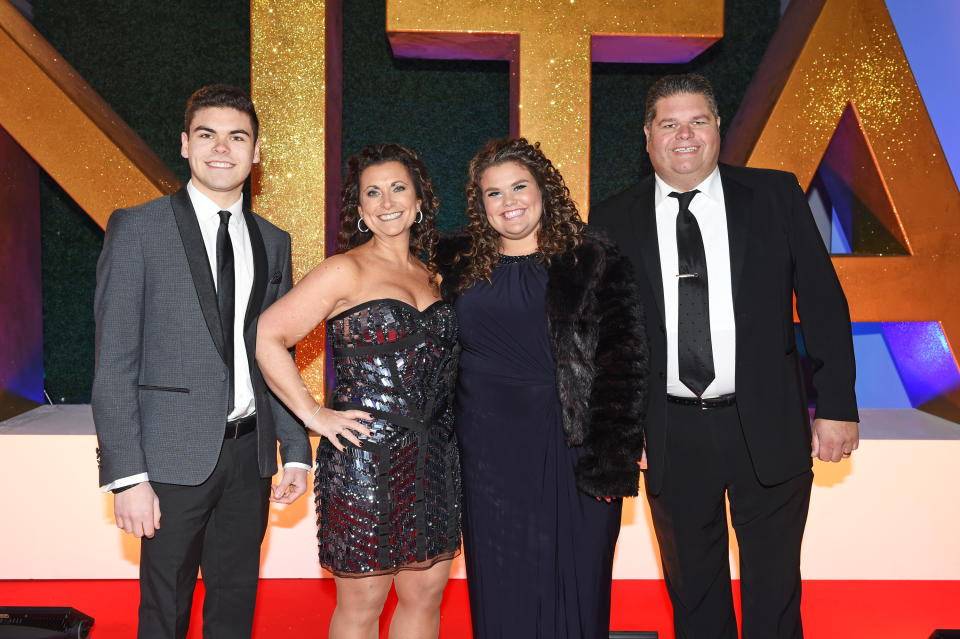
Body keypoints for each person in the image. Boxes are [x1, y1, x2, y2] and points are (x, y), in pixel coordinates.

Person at [590, 73, 860, 638]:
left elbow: (822, 302)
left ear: (717, 129)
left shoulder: (775, 195)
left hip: (766, 422)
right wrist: (620, 428)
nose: (683, 135)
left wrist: (836, 404)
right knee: (694, 593)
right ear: (647, 137)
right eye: (669, 124)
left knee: (774, 588)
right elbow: (607, 334)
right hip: (669, 432)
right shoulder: (612, 218)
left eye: (698, 121)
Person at [92, 84, 312, 638]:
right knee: (164, 612)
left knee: (235, 604)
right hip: (167, 462)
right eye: (207, 135)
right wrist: (126, 477)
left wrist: (295, 451)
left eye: (238, 136)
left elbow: (275, 350)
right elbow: (114, 361)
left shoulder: (273, 241)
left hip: (250, 457)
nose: (222, 148)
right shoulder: (137, 228)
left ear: (257, 152)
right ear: (186, 145)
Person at [434, 137, 648, 639]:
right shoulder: (453, 263)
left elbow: (625, 360)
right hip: (485, 455)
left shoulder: (592, 257)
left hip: (572, 449)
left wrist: (612, 458)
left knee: (580, 578)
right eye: (493, 193)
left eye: (518, 187)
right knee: (502, 582)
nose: (508, 202)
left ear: (544, 190)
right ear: (479, 204)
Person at [255, 143, 461, 639]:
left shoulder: (435, 275)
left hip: (435, 456)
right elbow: (267, 335)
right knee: (362, 604)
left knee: (425, 595)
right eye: (373, 192)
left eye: (398, 189)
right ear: (361, 209)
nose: (386, 201)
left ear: (418, 203)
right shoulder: (343, 269)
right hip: (365, 458)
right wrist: (312, 414)